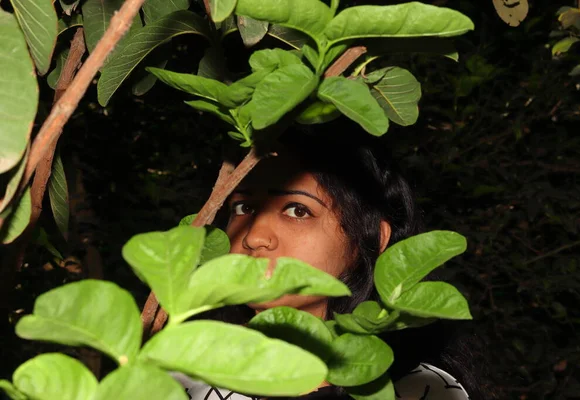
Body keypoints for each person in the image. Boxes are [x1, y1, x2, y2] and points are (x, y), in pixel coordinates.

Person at [177, 123, 493, 399]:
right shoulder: (177, 374)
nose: (254, 236)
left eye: (297, 210)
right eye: (243, 208)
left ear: (370, 240)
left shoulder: (420, 390)